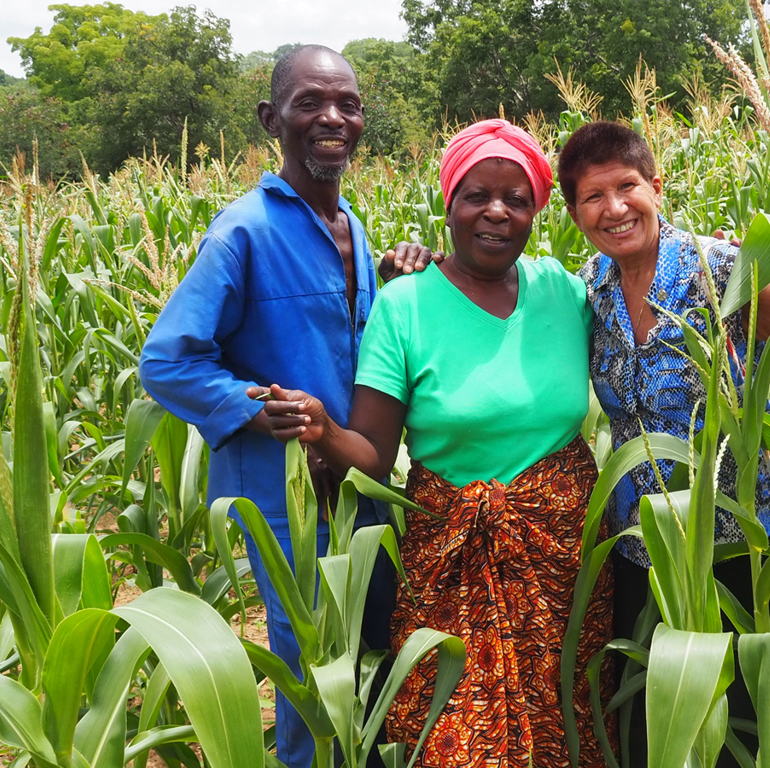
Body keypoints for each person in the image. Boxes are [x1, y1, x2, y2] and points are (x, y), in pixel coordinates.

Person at [255, 119, 615, 768]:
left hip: (566, 559)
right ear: (449, 202)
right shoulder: (406, 307)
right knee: (453, 739)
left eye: (517, 198)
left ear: (538, 210)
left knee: (576, 721)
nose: (497, 212)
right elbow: (371, 449)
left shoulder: (567, 293)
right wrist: (322, 428)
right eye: (477, 195)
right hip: (449, 561)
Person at [138, 44, 437, 768]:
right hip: (284, 501)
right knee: (309, 669)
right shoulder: (243, 230)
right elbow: (166, 361)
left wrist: (391, 280)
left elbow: (346, 342)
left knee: (367, 656)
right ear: (273, 118)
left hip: (357, 486)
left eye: (348, 104)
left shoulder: (352, 226)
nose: (332, 117)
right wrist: (247, 404)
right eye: (311, 103)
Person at [555, 121, 770, 766]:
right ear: (575, 212)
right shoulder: (593, 293)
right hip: (643, 550)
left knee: (738, 733)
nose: (614, 209)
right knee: (651, 728)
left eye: (627, 187)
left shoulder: (720, 269)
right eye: (592, 197)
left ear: (656, 187)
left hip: (740, 547)